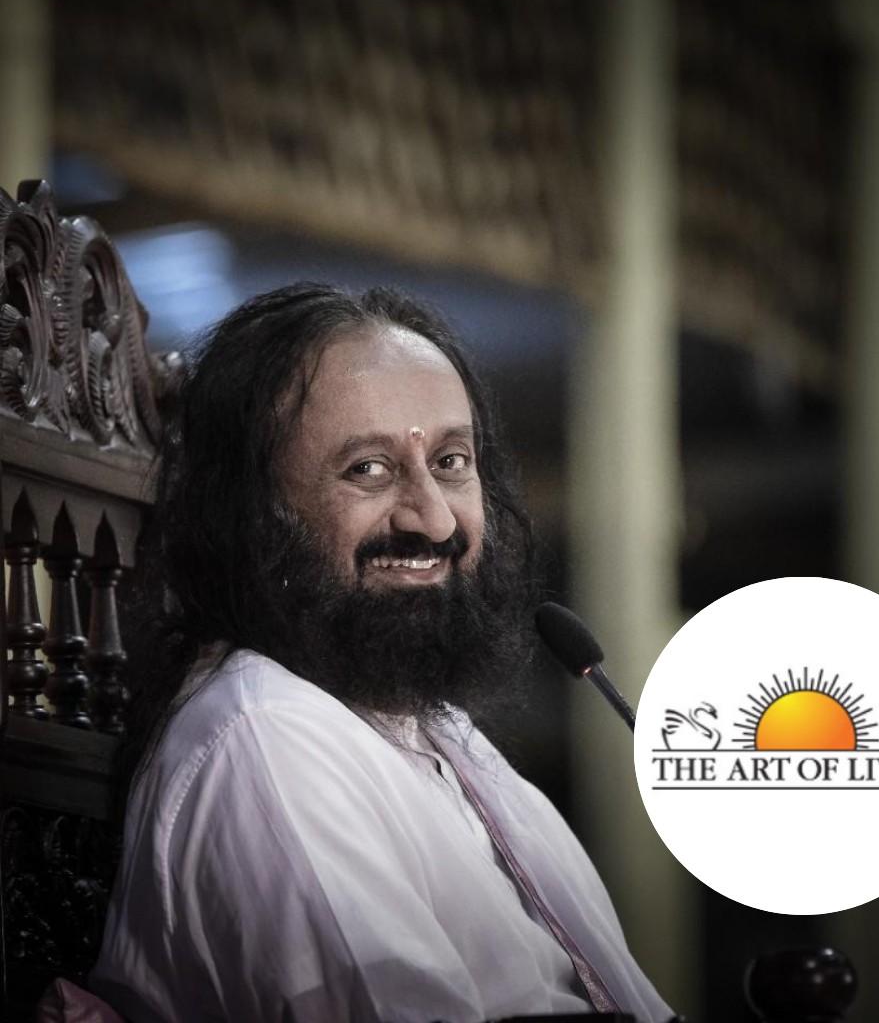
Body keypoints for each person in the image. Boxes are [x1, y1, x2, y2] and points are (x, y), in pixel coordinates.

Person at [90, 283, 673, 1023]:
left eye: (452, 461)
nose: (434, 519)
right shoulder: (269, 737)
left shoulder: (442, 736)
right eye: (367, 468)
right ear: (253, 513)